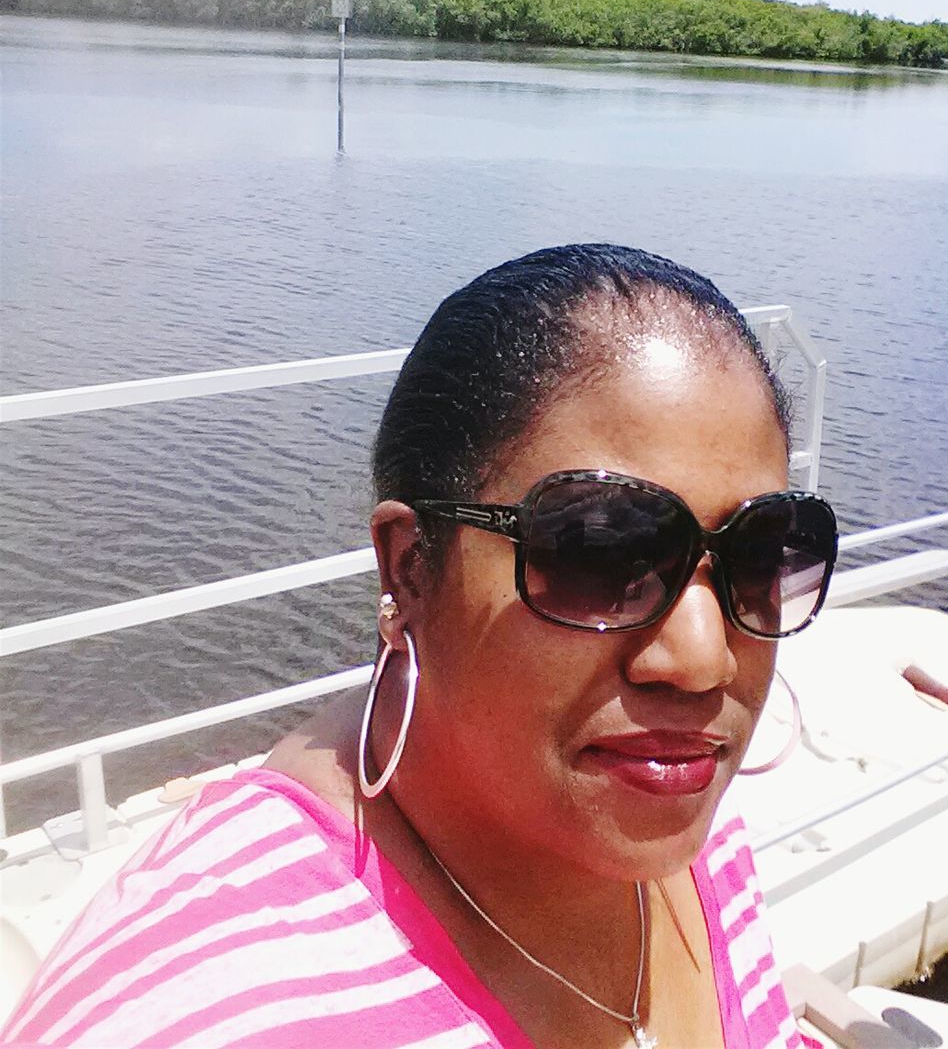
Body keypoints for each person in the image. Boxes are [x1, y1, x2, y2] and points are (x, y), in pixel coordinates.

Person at [3, 244, 839, 1048]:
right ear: (409, 568)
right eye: (600, 551)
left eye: (763, 552)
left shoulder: (683, 821)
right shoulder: (214, 1007)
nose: (703, 660)